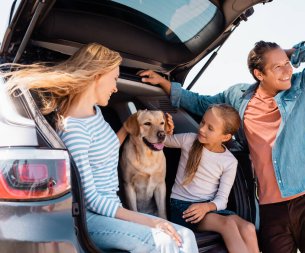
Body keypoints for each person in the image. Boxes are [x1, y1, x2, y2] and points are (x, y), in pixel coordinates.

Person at [138, 40, 305, 253]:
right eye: (277, 67)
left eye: (287, 64)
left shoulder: (302, 87)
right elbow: (200, 103)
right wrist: (165, 84)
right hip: (271, 208)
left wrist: (287, 54)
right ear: (259, 74)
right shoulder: (238, 96)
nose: (287, 70)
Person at [3, 43, 198, 253]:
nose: (115, 87)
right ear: (96, 75)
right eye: (114, 79)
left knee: (186, 236)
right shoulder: (74, 130)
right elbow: (92, 200)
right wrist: (152, 222)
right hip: (93, 219)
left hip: (112, 210)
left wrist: (128, 127)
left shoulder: (95, 112)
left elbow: (107, 146)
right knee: (162, 240)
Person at [164, 104, 259, 253]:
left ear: (225, 137)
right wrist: (166, 130)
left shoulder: (229, 161)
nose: (201, 129)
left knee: (249, 227)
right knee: (228, 225)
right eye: (203, 122)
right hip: (183, 207)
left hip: (208, 208)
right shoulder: (189, 140)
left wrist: (207, 207)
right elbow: (161, 141)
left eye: (210, 128)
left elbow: (222, 200)